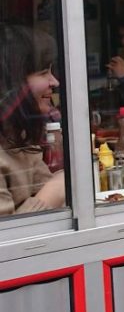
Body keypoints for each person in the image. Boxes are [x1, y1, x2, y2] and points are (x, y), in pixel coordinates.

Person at [0, 24, 66, 216]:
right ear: (14, 81)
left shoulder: (17, 137)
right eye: (44, 73)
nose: (55, 82)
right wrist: (53, 192)